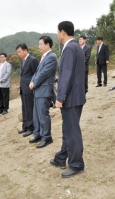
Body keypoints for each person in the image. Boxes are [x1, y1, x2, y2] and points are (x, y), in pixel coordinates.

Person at [50, 21, 86, 178]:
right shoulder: (75, 47)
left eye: (57, 32)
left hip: (71, 97)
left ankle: (77, 164)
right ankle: (61, 158)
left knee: (72, 131)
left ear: (62, 32)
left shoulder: (70, 48)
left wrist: (60, 97)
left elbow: (66, 75)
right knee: (68, 129)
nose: (57, 35)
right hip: (76, 96)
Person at [29, 36, 57, 148]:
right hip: (38, 90)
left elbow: (44, 73)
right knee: (36, 114)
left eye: (41, 44)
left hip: (44, 90)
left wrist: (34, 83)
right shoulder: (43, 57)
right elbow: (37, 72)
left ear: (47, 45)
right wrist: (32, 81)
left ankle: (47, 137)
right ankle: (38, 134)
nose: (39, 46)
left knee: (43, 114)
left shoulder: (51, 57)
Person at [16, 43, 39, 137]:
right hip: (23, 89)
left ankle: (30, 128)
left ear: (25, 50)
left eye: (19, 52)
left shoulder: (32, 60)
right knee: (24, 108)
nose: (18, 54)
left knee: (29, 109)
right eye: (17, 52)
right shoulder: (24, 61)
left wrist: (33, 84)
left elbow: (36, 74)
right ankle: (25, 126)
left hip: (29, 89)